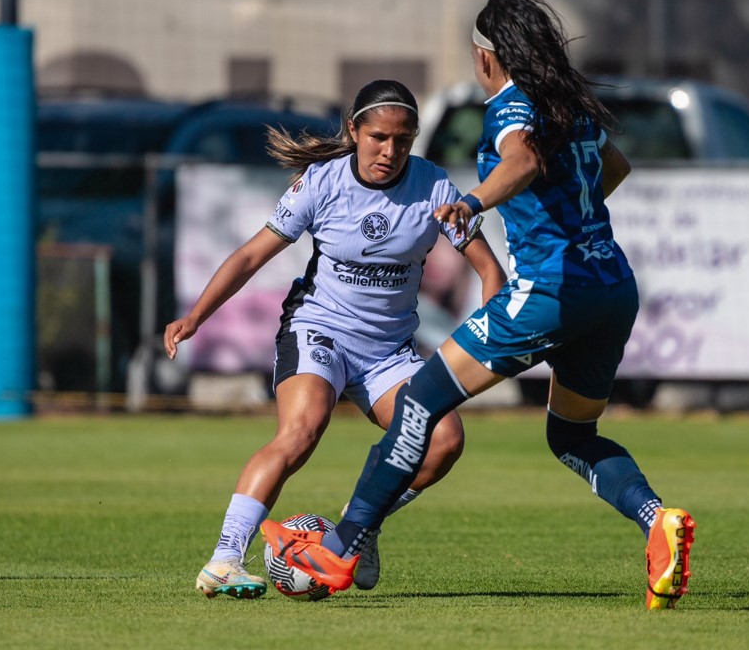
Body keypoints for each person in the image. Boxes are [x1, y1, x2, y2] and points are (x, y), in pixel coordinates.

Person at [261, 0, 696, 611]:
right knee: (572, 435)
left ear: (485, 56)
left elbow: (517, 160)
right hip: (612, 288)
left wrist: (474, 200)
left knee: (418, 406)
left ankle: (342, 547)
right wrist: (567, 210)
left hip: (550, 291)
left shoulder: (511, 106)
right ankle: (657, 520)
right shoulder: (566, 107)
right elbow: (614, 169)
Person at [166, 79, 506, 599]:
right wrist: (196, 316)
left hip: (388, 353)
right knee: (301, 432)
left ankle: (359, 525)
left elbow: (489, 271)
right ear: (354, 130)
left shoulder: (434, 188)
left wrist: (488, 336)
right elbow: (252, 255)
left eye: (402, 141)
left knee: (444, 441)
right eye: (378, 138)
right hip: (319, 330)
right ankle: (225, 558)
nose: (389, 152)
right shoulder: (321, 183)